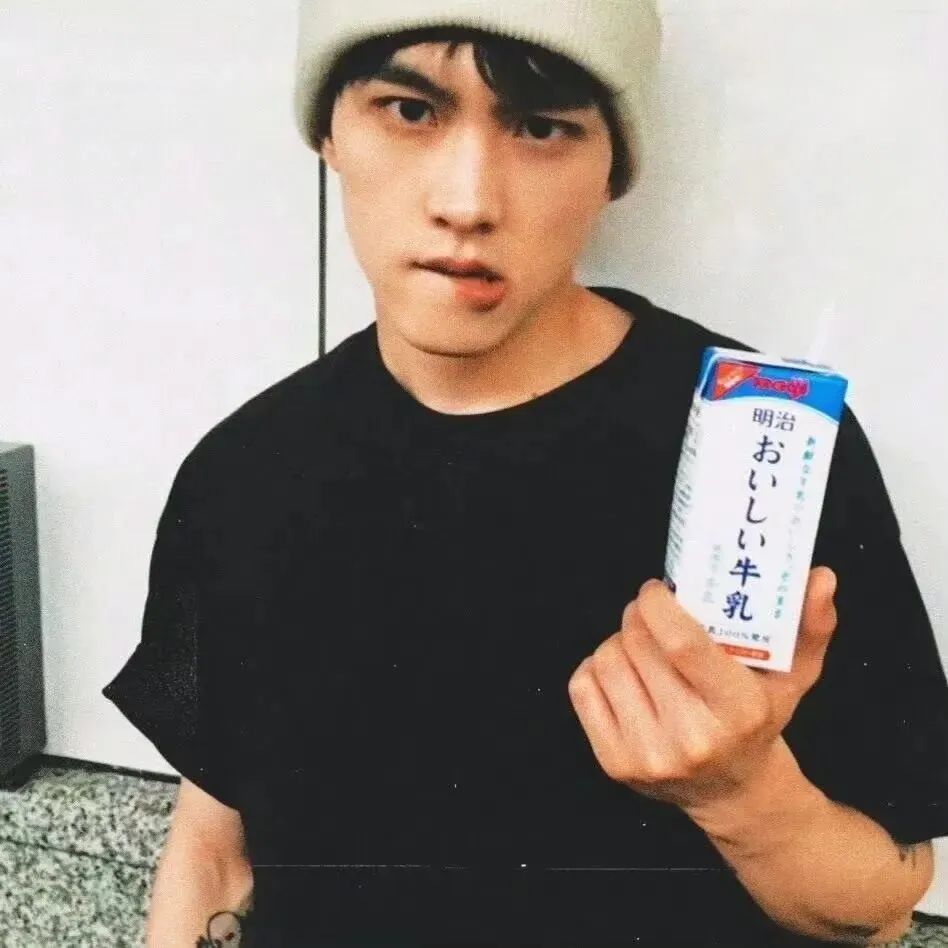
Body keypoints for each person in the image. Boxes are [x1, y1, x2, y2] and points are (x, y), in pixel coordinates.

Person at [102, 1, 948, 945]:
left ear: (612, 168)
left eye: (541, 127)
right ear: (328, 133)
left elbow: (882, 907)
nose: (468, 202)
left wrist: (741, 793)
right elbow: (215, 855)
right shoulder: (244, 473)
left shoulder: (759, 452)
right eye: (409, 111)